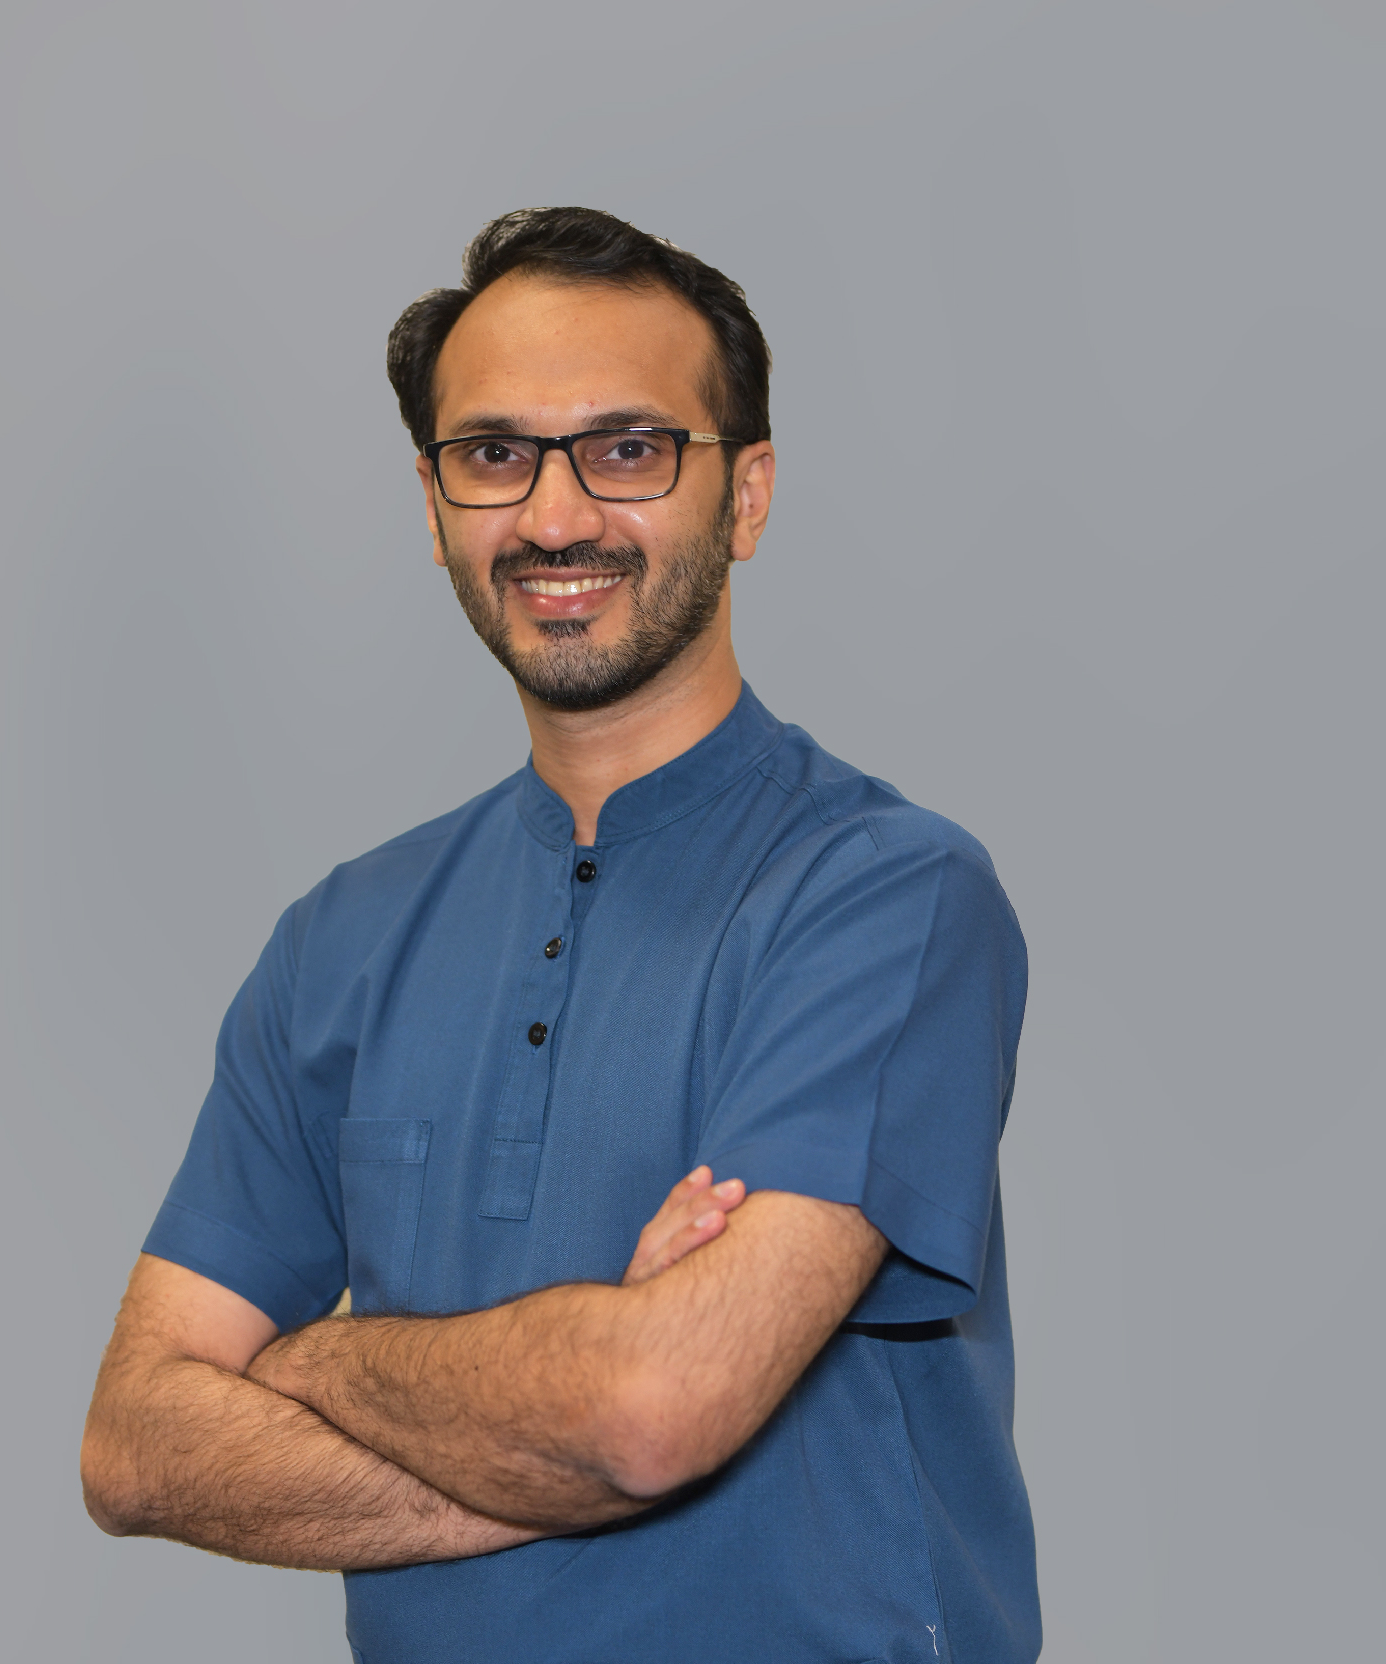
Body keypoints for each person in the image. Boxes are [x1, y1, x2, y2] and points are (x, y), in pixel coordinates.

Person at [80, 206, 1040, 1664]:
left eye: (628, 449)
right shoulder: (339, 941)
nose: (553, 517)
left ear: (747, 496)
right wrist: (557, 1439)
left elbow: (656, 1412)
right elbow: (135, 1444)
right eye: (494, 454)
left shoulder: (883, 897)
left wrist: (317, 1360)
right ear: (433, 504)